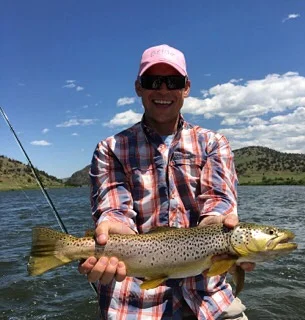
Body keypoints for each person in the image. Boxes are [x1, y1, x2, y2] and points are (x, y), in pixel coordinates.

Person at [79, 44, 254, 319]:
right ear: (138, 87)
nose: (162, 90)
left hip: (209, 299)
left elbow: (219, 201)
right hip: (133, 301)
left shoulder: (213, 143)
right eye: (152, 81)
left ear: (186, 87)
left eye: (172, 82)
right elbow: (115, 210)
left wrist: (217, 223)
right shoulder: (110, 149)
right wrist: (111, 229)